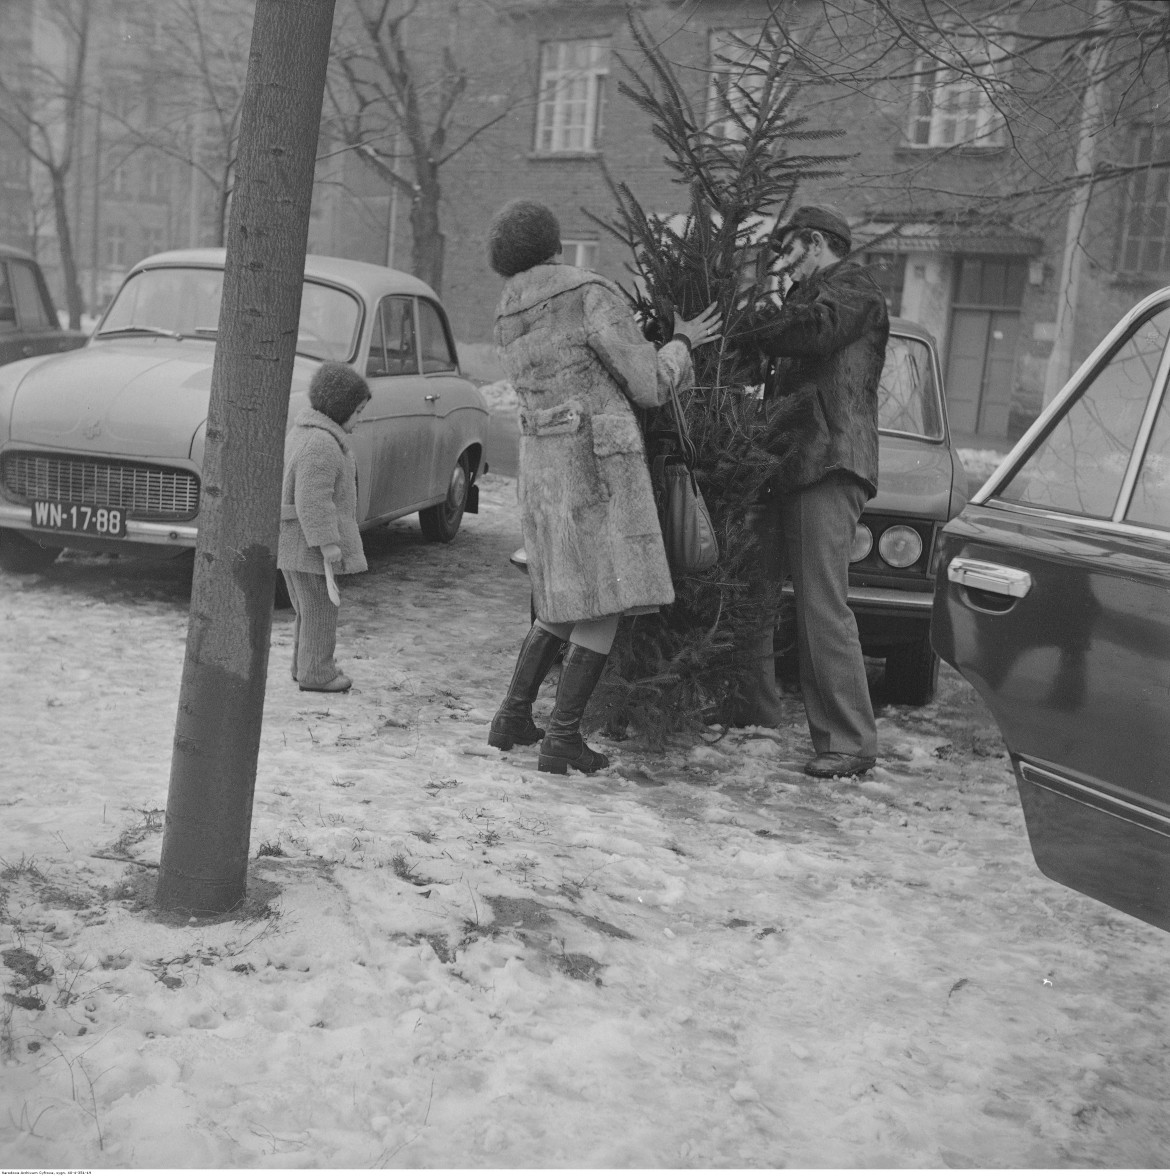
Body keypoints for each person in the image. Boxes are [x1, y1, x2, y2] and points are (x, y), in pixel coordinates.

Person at [486, 198, 720, 775]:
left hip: (545, 462)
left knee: (565, 594)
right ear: (554, 242)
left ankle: (514, 716)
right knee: (607, 598)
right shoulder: (587, 291)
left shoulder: (508, 309)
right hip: (599, 462)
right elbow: (646, 383)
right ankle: (561, 739)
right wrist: (682, 343)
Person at [734, 203, 889, 778]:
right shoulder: (805, 300)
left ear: (816, 243)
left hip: (828, 463)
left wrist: (749, 312)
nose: (782, 262)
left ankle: (849, 742)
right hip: (789, 462)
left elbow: (815, 334)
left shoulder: (854, 289)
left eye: (788, 250)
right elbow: (780, 351)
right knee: (753, 590)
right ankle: (751, 712)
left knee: (822, 605)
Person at [277, 361, 371, 693]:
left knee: (307, 607)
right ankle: (317, 672)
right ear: (340, 407)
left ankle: (303, 666)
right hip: (307, 545)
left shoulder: (306, 433)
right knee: (320, 608)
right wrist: (328, 542)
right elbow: (313, 499)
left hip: (293, 541)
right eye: (357, 411)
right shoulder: (322, 444)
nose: (359, 419)